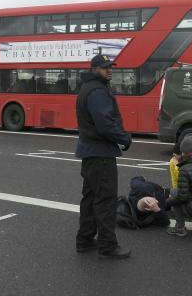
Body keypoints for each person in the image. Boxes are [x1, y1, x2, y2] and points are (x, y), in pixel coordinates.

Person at [75, 53, 132, 259]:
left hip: (89, 153)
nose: (109, 70)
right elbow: (105, 124)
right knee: (106, 201)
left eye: (110, 67)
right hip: (101, 154)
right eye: (104, 67)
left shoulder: (87, 88)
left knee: (90, 199)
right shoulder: (98, 91)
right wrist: (125, 138)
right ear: (94, 69)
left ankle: (84, 240)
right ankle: (107, 246)